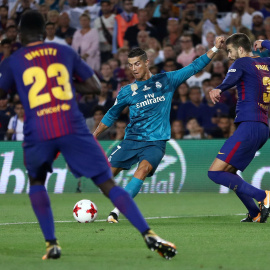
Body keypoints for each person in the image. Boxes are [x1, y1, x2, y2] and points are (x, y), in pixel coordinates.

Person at [0, 10, 177, 260]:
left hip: (39, 129)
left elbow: (3, 94)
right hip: (72, 126)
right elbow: (94, 86)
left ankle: (52, 244)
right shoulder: (64, 52)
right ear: (44, 33)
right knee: (107, 183)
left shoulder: (14, 60)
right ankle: (148, 233)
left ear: (19, 34)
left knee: (37, 181)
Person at [93, 37, 225, 223]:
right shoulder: (126, 91)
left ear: (147, 63)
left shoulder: (166, 80)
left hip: (155, 142)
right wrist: (94, 135)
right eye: (130, 65)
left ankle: (117, 210)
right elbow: (110, 115)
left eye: (137, 64)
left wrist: (215, 48)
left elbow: (194, 67)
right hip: (131, 140)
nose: (134, 68)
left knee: (144, 168)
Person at [208, 33, 270, 223]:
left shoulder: (241, 63)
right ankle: (255, 213)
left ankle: (263, 195)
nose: (229, 55)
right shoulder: (266, 62)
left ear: (241, 50)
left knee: (215, 172)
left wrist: (218, 88)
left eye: (230, 50)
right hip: (263, 127)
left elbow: (230, 80)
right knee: (229, 172)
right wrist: (265, 43)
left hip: (249, 125)